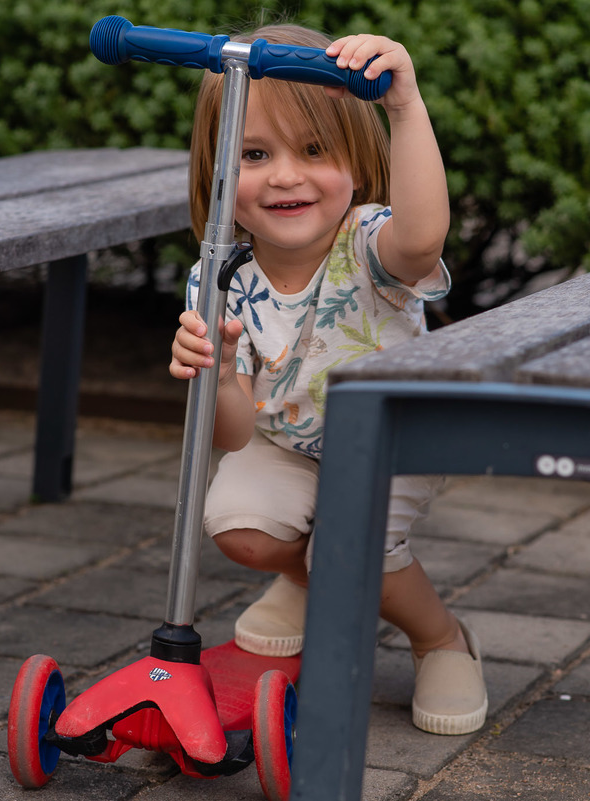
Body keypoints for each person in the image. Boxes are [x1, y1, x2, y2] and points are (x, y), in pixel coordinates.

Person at [169, 23, 486, 736]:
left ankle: (441, 637)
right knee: (238, 526)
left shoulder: (370, 243)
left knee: (351, 545)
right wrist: (217, 374)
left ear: (355, 159)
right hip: (288, 440)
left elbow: (424, 238)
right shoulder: (217, 278)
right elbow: (235, 431)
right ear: (217, 169)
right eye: (254, 153)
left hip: (394, 440)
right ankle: (310, 580)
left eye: (314, 151)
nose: (285, 175)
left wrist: (404, 105)